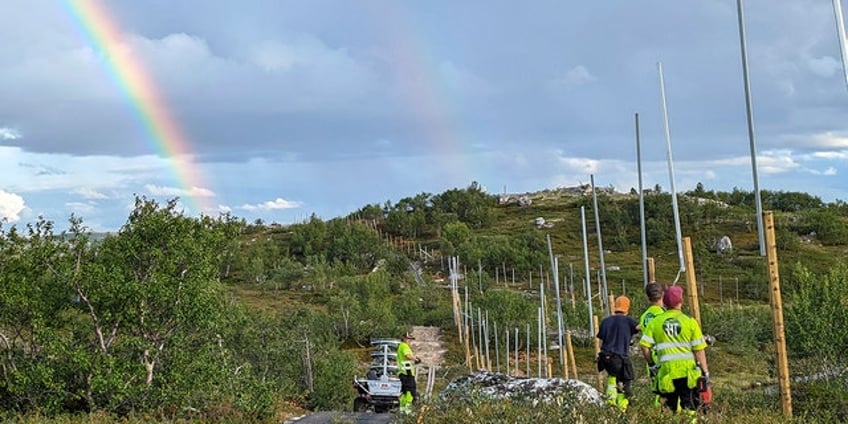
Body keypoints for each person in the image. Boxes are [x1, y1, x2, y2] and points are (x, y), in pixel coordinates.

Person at [640, 285, 710, 419]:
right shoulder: (690, 322)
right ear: (681, 301)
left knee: (669, 407)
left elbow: (644, 346)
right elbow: (699, 350)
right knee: (690, 405)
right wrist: (705, 372)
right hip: (688, 373)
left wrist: (652, 364)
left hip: (666, 372)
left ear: (664, 301)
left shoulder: (655, 322)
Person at [596, 296, 639, 410]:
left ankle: (610, 402)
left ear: (615, 307)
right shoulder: (630, 321)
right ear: (627, 308)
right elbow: (642, 328)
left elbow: (600, 344)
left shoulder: (606, 321)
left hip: (606, 359)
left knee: (612, 378)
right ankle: (622, 408)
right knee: (626, 382)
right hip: (620, 358)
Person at [639, 282, 666, 407]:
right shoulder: (663, 315)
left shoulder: (644, 316)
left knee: (656, 390)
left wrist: (650, 363)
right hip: (664, 355)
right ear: (663, 295)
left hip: (650, 355)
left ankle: (656, 416)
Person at [397, 331, 421, 414]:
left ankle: (402, 409)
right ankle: (408, 411)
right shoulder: (404, 346)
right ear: (404, 339)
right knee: (410, 391)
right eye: (408, 339)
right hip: (407, 373)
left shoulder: (401, 346)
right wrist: (416, 359)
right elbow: (408, 355)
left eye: (410, 339)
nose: (410, 341)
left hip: (403, 373)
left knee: (404, 392)